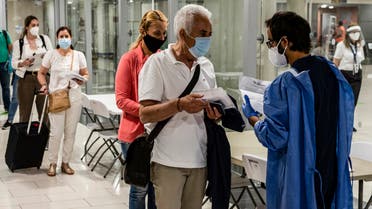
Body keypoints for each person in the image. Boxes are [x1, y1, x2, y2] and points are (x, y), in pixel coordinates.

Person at [242, 11, 354, 209]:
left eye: (270, 43)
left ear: (284, 42)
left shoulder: (287, 83)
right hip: (330, 172)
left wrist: (254, 119)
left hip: (301, 178)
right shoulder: (330, 72)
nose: (270, 48)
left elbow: (276, 137)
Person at [138, 4, 222, 209]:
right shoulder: (157, 63)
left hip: (199, 161)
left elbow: (214, 107)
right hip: (168, 163)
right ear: (183, 33)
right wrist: (179, 105)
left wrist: (215, 114)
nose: (207, 40)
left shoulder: (206, 66)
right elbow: (145, 114)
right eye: (202, 34)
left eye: (210, 34)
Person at [115, 10, 168, 209]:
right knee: (140, 189)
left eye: (164, 34)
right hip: (134, 135)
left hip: (159, 133)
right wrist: (148, 111)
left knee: (157, 187)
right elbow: (121, 100)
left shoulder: (164, 59)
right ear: (143, 31)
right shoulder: (129, 59)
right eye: (157, 34)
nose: (161, 39)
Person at [38, 26, 89, 176]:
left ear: (71, 38)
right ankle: (52, 163)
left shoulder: (78, 55)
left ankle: (65, 163)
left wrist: (82, 80)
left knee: (70, 132)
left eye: (66, 36)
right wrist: (43, 85)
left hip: (74, 96)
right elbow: (41, 73)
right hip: (57, 96)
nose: (64, 39)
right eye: (61, 36)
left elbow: (85, 74)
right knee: (56, 132)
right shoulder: (51, 55)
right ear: (57, 39)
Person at [10, 15, 53, 128]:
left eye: (37, 25)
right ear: (27, 27)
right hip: (26, 78)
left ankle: (44, 140)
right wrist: (23, 63)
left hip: (42, 77)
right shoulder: (18, 43)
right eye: (33, 25)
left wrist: (45, 57)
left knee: (44, 111)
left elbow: (53, 56)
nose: (36, 27)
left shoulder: (44, 39)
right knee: (25, 112)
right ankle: (24, 140)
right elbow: (13, 63)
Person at [333, 24, 364, 132]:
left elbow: (360, 59)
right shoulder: (341, 45)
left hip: (357, 74)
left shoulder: (360, 45)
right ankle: (341, 123)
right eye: (353, 32)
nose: (356, 35)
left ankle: (349, 123)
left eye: (357, 32)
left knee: (353, 101)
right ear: (348, 34)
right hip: (345, 74)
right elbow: (336, 62)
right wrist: (335, 76)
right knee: (344, 101)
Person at [0, 29, 12, 115]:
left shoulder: (4, 33)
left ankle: (8, 108)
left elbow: (10, 45)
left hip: (4, 64)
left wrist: (8, 55)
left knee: (6, 87)